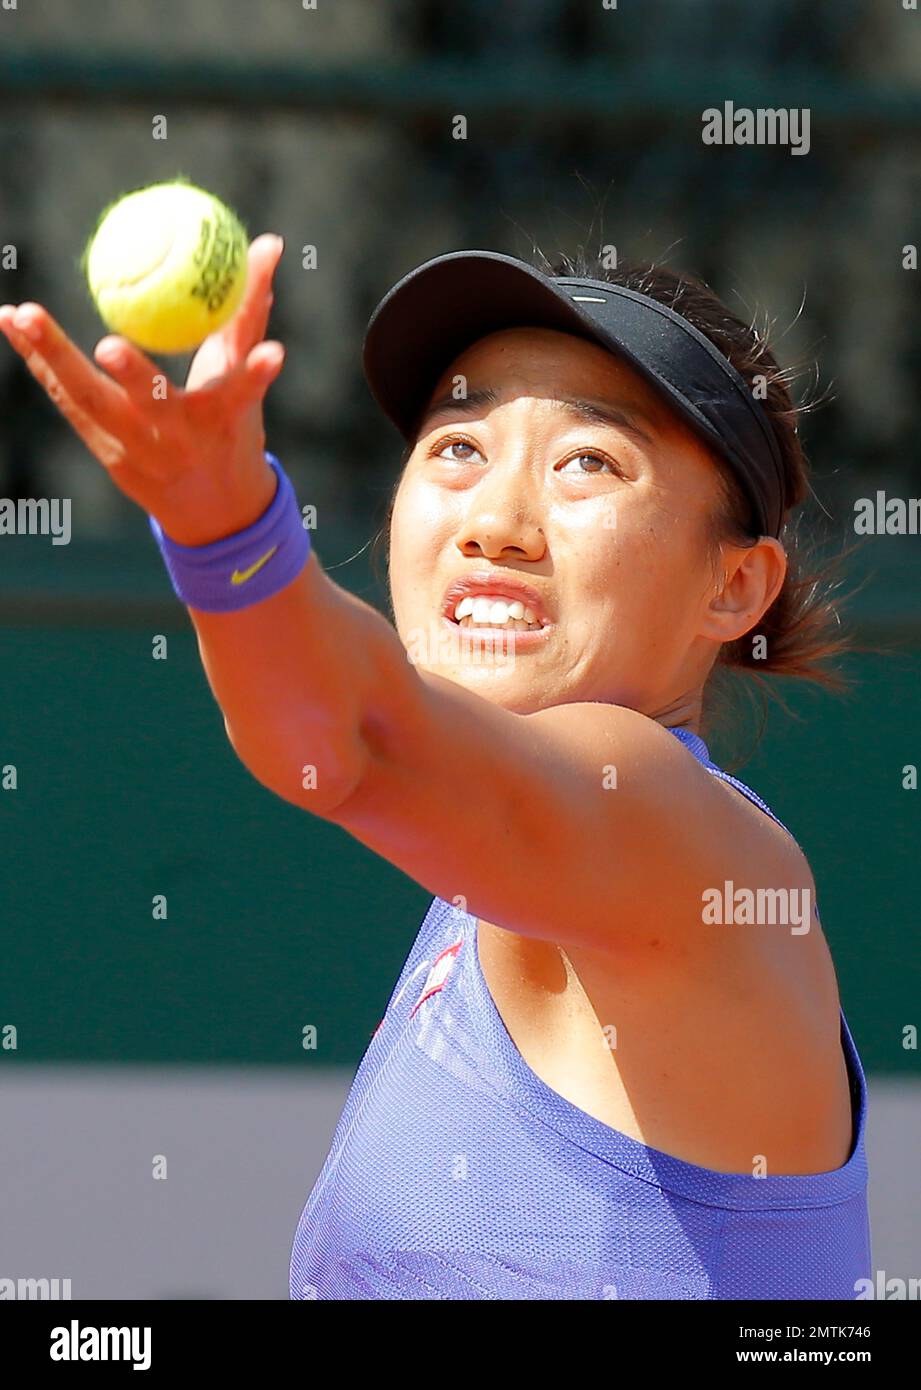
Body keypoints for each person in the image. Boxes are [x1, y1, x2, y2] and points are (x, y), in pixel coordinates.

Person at [0, 238, 871, 1301]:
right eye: (458, 448)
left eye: (587, 462)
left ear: (735, 586)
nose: (494, 526)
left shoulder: (681, 837)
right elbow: (331, 735)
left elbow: (356, 743)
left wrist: (227, 526)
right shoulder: (492, 895)